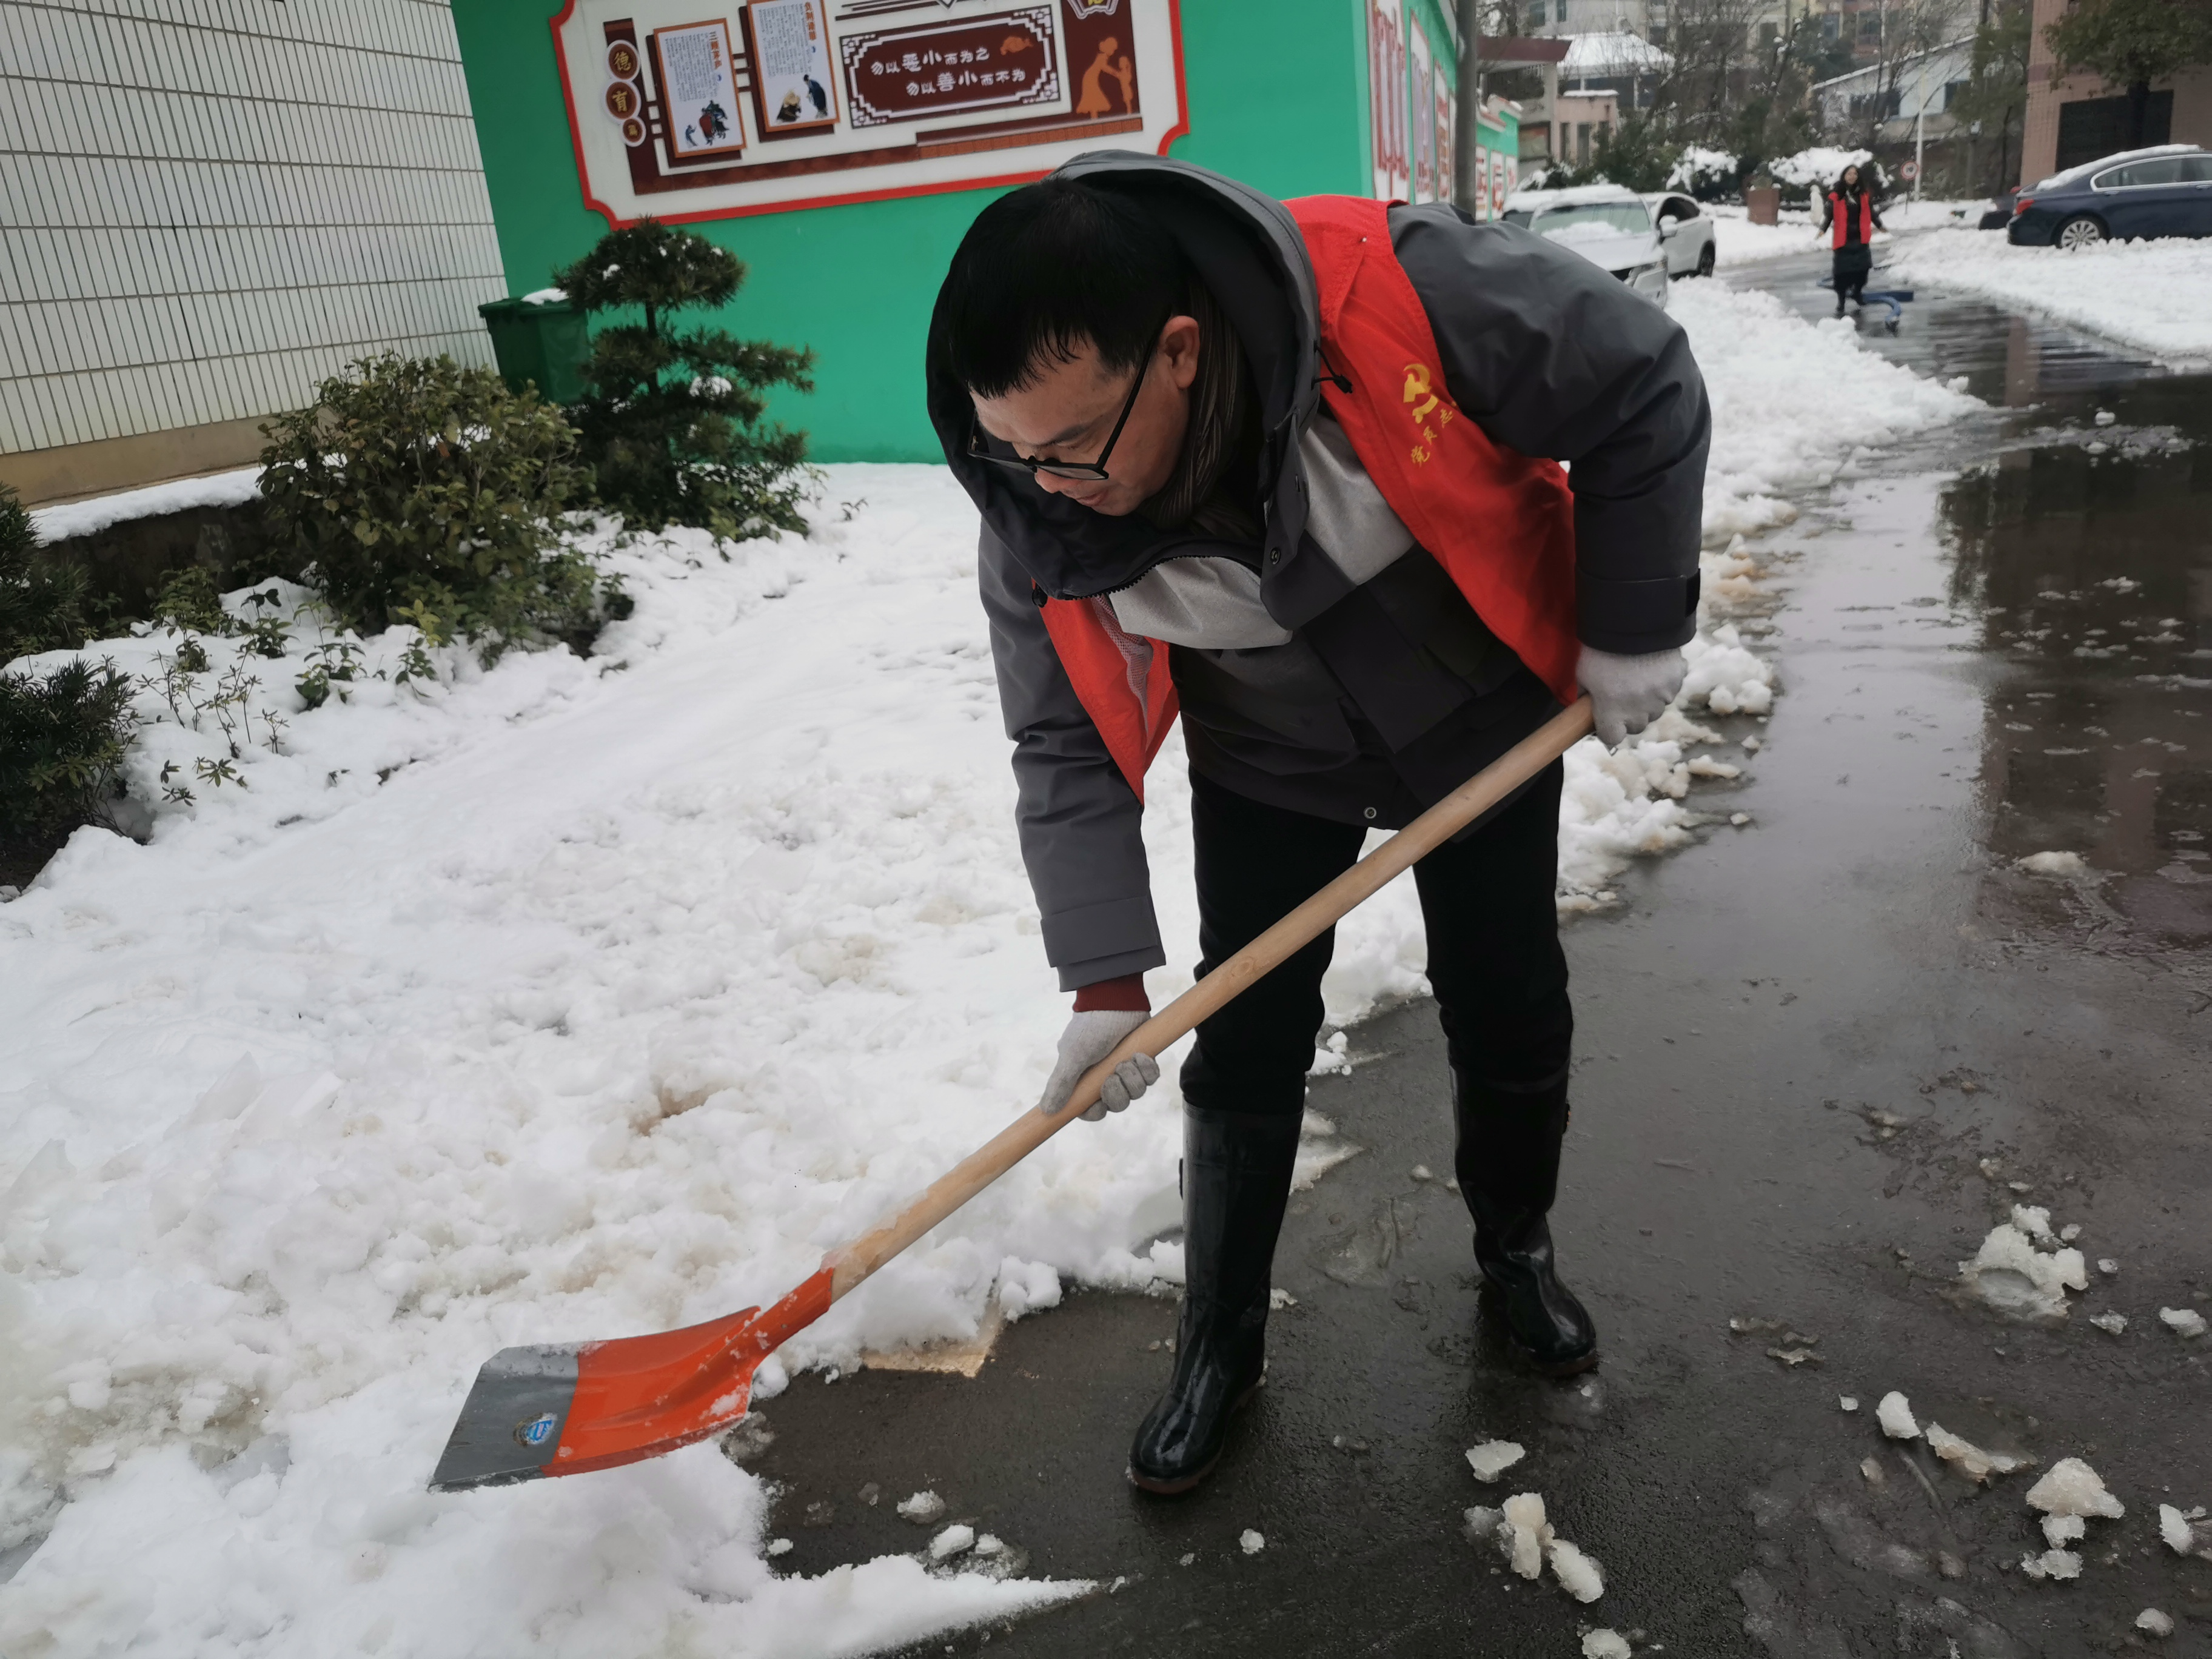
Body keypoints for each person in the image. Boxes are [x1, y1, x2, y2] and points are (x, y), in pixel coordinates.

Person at [927, 155, 1709, 1495]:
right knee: (1248, 1039)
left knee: (1508, 1000)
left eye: (1072, 447)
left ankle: (1515, 1257)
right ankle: (1218, 1345)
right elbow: (1059, 737)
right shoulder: (1036, 502)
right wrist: (1106, 981)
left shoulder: (1400, 292)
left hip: (1481, 715)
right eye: (1015, 452)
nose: (1046, 486)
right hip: (1268, 756)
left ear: (1177, 352)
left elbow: (1641, 378)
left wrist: (1635, 624)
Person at [1820, 163, 1886, 315]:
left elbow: (1871, 213)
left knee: (1862, 272)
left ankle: (1857, 292)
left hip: (1861, 239)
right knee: (1842, 275)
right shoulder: (1836, 195)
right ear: (1844, 176)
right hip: (1843, 241)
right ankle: (1841, 302)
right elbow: (1829, 216)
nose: (1852, 176)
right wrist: (1823, 229)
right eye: (1849, 174)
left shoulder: (1864, 194)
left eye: (1855, 174)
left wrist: (1880, 225)